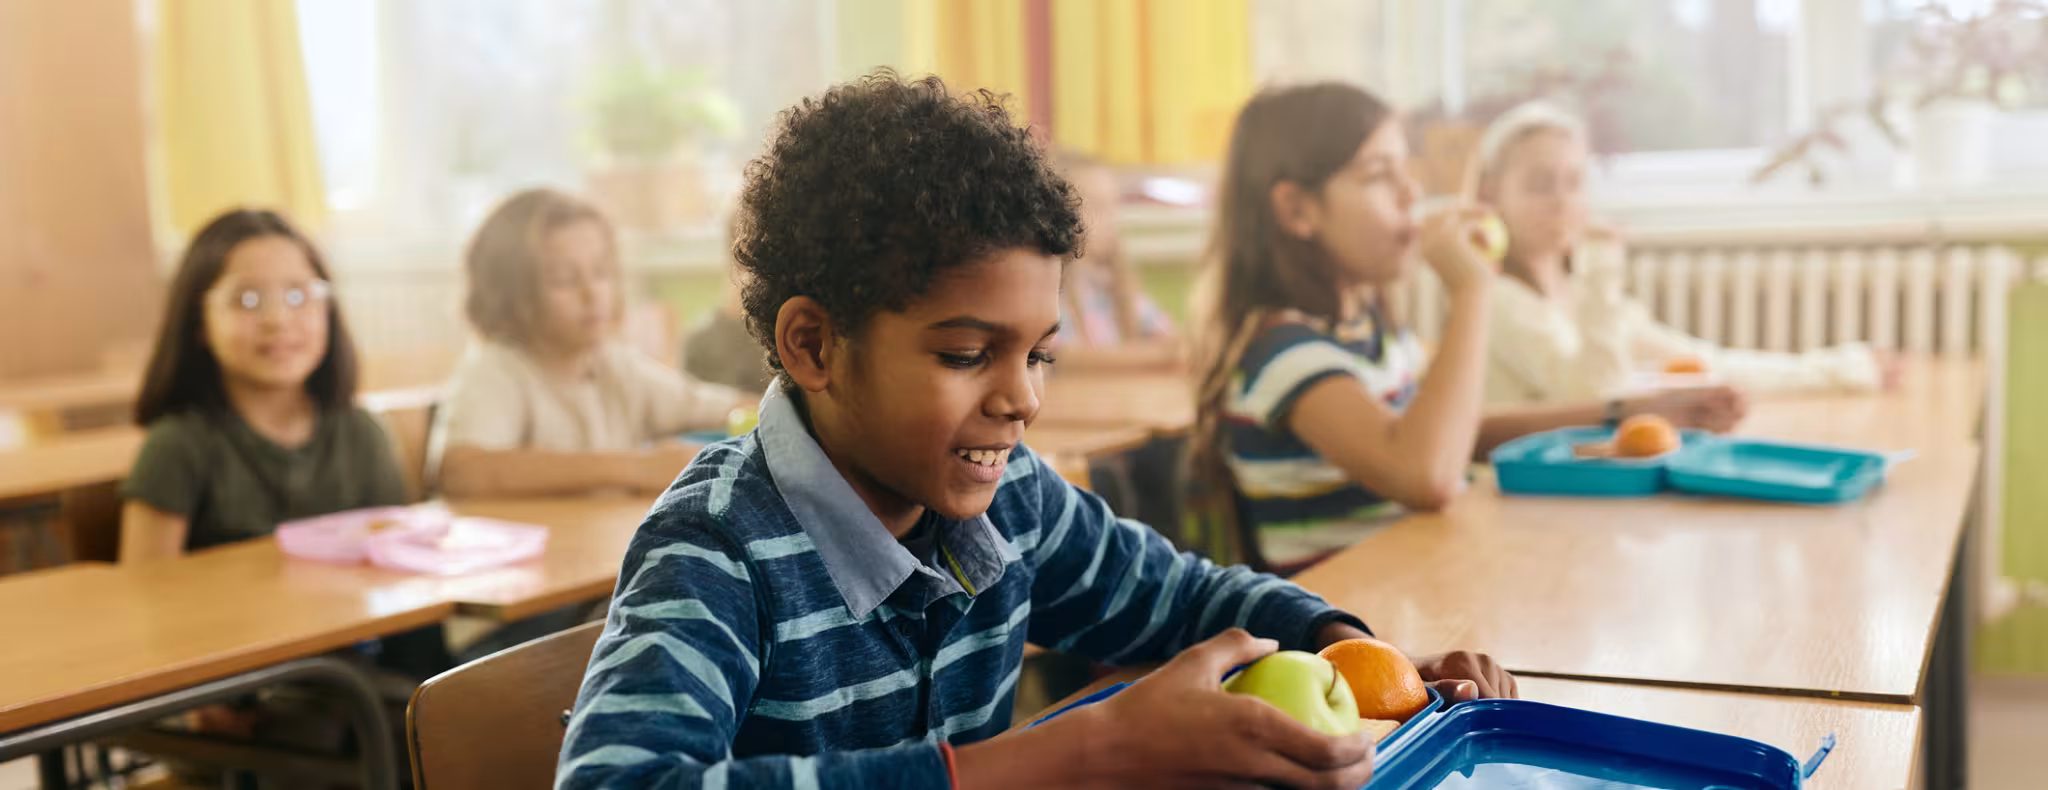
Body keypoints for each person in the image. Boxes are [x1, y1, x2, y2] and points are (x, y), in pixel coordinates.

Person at [557, 71, 1514, 789]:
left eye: (1040, 354)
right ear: (813, 343)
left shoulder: (1009, 499)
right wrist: (1079, 751)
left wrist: (1351, 651)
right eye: (968, 353)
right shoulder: (719, 547)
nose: (1022, 399)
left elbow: (1184, 599)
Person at [1185, 84, 1745, 571]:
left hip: (1428, 577)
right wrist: (1474, 292)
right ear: (1297, 211)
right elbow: (1424, 474)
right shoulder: (1282, 351)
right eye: (1380, 175)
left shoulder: (1366, 331)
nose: (1412, 193)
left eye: (1408, 169)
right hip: (1359, 629)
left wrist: (1626, 414)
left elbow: (1455, 434)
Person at [1470, 101, 1890, 406]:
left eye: (1574, 182)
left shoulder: (1578, 293)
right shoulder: (1494, 299)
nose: (1562, 202)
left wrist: (1837, 368)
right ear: (1492, 193)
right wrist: (1602, 268)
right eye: (1540, 184)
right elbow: (1598, 397)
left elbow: (1698, 361)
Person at [434, 188, 746, 498]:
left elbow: (708, 406)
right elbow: (463, 471)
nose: (592, 293)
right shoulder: (495, 369)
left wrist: (779, 406)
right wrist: (637, 468)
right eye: (564, 279)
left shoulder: (613, 363)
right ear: (509, 294)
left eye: (601, 272)